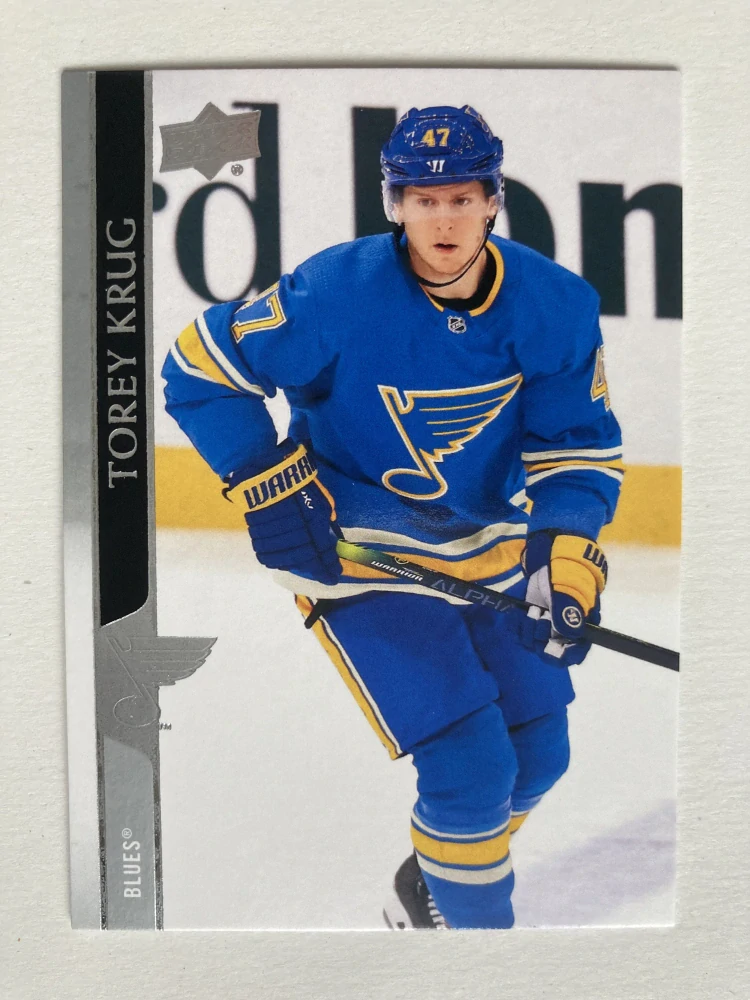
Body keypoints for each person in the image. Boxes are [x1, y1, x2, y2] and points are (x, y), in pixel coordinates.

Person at [161, 105, 622, 930]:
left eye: (461, 198)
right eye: (423, 199)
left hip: (489, 554)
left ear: (494, 200)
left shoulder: (555, 305)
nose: (442, 220)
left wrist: (565, 552)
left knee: (540, 753)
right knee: (470, 771)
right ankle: (480, 964)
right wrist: (266, 480)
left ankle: (432, 886)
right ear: (394, 204)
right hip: (359, 556)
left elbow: (575, 447)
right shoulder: (336, 293)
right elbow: (199, 367)